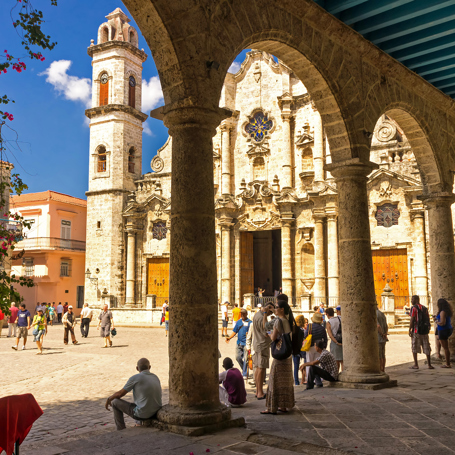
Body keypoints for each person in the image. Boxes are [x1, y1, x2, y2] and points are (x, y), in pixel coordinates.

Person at [105, 358, 162, 430]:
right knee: (141, 403)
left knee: (115, 402)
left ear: (137, 368)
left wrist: (109, 399)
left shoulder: (135, 378)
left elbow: (120, 394)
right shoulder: (155, 377)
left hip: (143, 414)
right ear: (149, 367)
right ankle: (138, 423)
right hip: (155, 412)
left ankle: (121, 429)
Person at [261, 299, 295, 415]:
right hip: (287, 355)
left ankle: (272, 407)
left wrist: (269, 333)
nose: (274, 309)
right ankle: (284, 405)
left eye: (276, 307)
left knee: (274, 380)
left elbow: (273, 338)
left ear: (281, 309)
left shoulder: (278, 321)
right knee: (285, 381)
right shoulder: (288, 320)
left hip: (279, 355)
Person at [409, 295, 433, 370]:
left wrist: (410, 329)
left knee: (415, 347)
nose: (411, 301)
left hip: (417, 330)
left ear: (416, 300)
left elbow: (412, 319)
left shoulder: (414, 308)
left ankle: (416, 364)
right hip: (424, 331)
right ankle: (429, 364)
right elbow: (428, 318)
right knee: (426, 346)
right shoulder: (425, 308)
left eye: (412, 299)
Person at [226, 308, 252, 377]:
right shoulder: (239, 322)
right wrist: (229, 338)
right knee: (238, 357)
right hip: (239, 343)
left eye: (244, 314)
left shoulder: (250, 322)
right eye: (241, 314)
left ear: (246, 314)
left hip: (246, 343)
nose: (242, 315)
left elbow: (252, 333)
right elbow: (235, 331)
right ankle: (244, 370)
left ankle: (245, 373)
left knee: (246, 359)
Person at [304, 312, 327, 387]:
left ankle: (309, 379)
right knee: (316, 363)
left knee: (309, 362)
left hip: (310, 347)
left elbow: (305, 335)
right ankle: (317, 380)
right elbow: (325, 338)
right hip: (318, 347)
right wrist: (324, 347)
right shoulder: (322, 328)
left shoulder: (309, 326)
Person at [435, 298, 453, 368]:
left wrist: (436, 322)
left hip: (443, 330)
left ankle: (447, 364)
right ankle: (438, 353)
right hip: (447, 329)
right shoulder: (447, 311)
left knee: (445, 348)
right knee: (439, 340)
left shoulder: (442, 312)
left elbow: (442, 323)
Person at [326, 307, 343, 372]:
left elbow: (330, 335)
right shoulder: (340, 318)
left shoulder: (329, 322)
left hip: (335, 342)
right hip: (342, 341)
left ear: (327, 314)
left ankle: (336, 376)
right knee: (342, 360)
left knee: (336, 361)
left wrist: (336, 342)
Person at [292, 315, 307, 385]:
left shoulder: (293, 329)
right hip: (300, 349)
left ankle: (296, 382)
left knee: (296, 367)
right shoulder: (301, 330)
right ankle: (305, 378)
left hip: (294, 350)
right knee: (306, 363)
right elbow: (301, 341)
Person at [377, 305, 388, 372]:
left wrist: (381, 334)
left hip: (378, 337)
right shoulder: (382, 314)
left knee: (379, 355)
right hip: (383, 338)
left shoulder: (374, 314)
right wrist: (385, 334)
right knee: (383, 355)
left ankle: (380, 370)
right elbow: (386, 326)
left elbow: (378, 326)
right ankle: (383, 369)